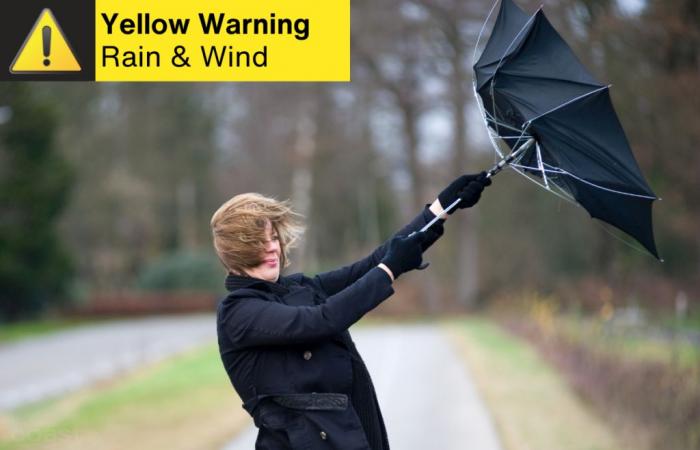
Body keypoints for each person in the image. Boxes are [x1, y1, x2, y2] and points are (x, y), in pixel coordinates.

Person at [212, 173, 491, 450]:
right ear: (237, 251)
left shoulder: (295, 288)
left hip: (351, 434)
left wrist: (440, 209)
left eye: (273, 237)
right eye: (260, 242)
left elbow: (370, 264)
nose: (273, 247)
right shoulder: (238, 312)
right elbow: (320, 321)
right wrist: (389, 270)